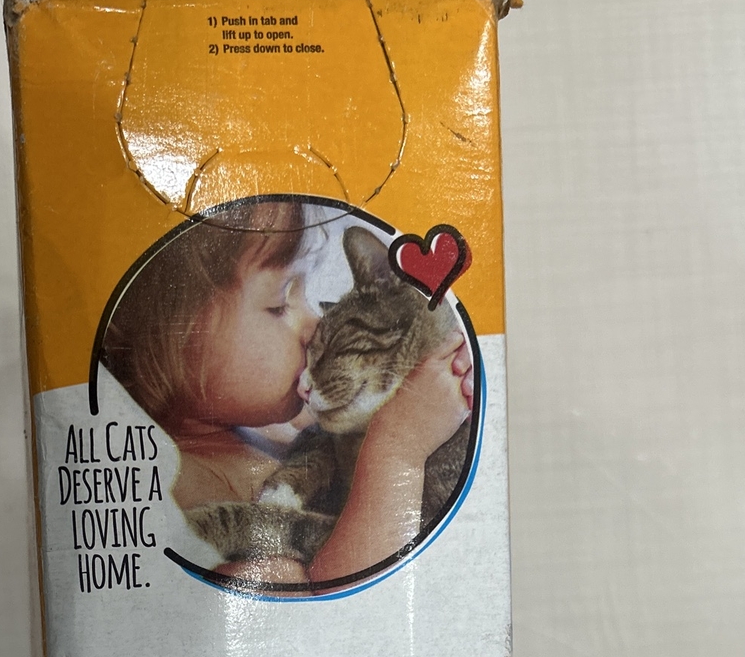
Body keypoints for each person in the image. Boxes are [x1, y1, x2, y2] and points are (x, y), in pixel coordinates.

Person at [100, 201, 472, 585]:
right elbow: (346, 584)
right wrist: (398, 450)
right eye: (280, 304)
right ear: (177, 338)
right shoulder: (177, 480)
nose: (315, 323)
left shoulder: (283, 427)